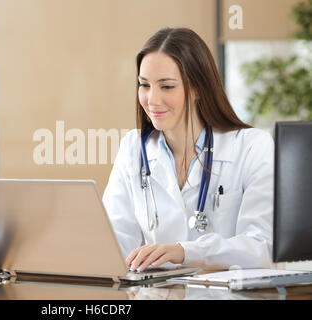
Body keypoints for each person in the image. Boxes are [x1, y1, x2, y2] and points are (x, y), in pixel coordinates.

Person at [102, 27, 274, 272]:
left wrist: (184, 252)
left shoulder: (252, 147)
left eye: (167, 86)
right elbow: (114, 245)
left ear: (197, 88)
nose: (151, 99)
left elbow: (263, 248)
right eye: (144, 85)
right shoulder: (133, 148)